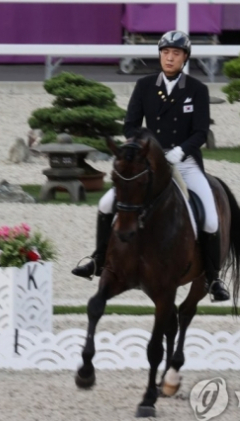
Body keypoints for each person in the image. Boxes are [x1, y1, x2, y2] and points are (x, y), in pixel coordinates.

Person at [71, 30, 230, 302]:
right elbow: (131, 125)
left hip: (185, 163)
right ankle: (98, 260)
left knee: (212, 220)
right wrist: (150, 149)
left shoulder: (197, 89)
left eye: (176, 54)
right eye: (165, 53)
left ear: (185, 58)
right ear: (160, 55)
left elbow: (201, 132)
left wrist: (179, 151)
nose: (169, 58)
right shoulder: (144, 85)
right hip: (150, 162)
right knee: (106, 204)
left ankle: (214, 278)